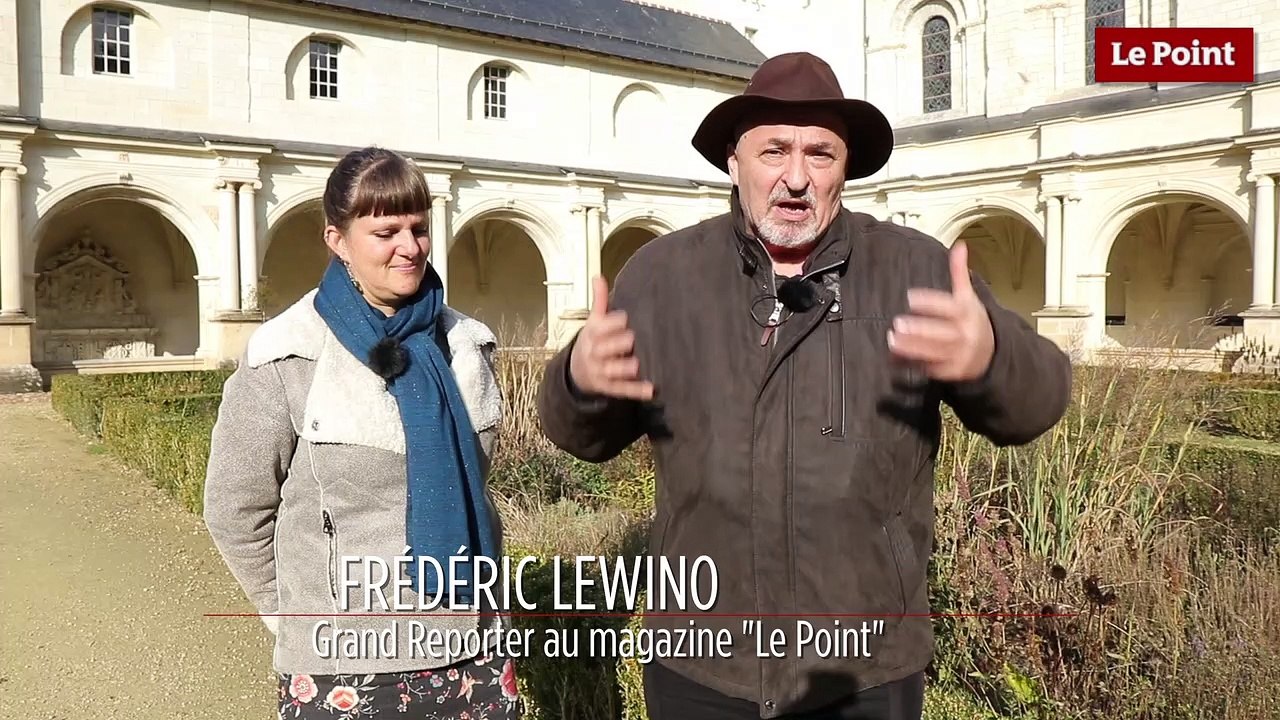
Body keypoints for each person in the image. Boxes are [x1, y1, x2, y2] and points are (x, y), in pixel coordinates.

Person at [536, 52, 1072, 720]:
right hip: (702, 665)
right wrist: (581, 383)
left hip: (863, 668)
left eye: (820, 154)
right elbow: (577, 433)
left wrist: (992, 357)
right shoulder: (662, 275)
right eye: (774, 151)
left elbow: (1038, 401)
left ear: (846, 167)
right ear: (734, 161)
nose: (796, 178)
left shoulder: (915, 270)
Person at [204, 146, 521, 719]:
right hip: (343, 661)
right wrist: (296, 615)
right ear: (338, 240)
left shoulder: (468, 346)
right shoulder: (287, 355)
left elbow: (480, 492)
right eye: (386, 231)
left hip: (473, 645)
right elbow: (235, 508)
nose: (410, 247)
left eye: (419, 229)